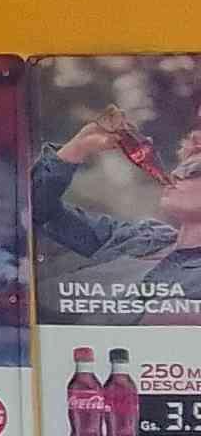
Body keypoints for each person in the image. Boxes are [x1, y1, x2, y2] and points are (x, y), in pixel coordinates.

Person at [35, 118, 201, 305]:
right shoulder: (139, 237)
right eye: (181, 166)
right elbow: (36, 209)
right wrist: (77, 148)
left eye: (193, 171)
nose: (176, 174)